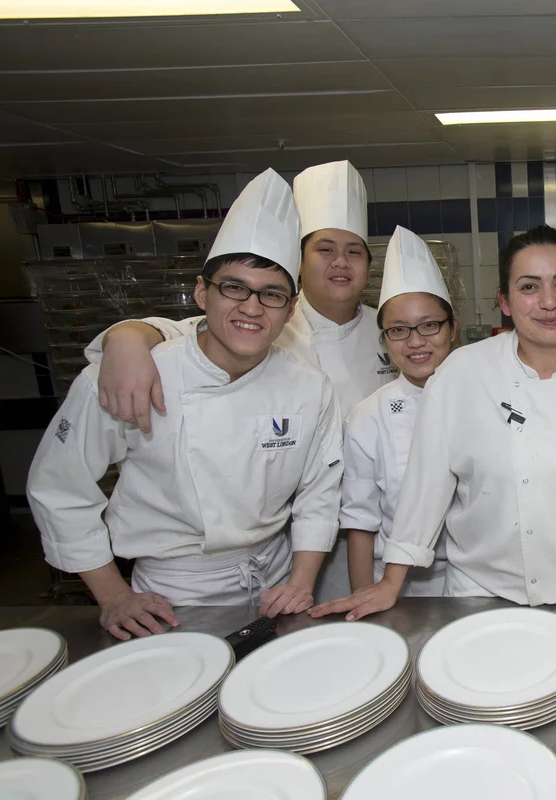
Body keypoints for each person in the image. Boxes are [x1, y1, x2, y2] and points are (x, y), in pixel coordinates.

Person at [27, 169, 343, 640]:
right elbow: (59, 487)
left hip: (277, 579)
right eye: (234, 287)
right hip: (173, 590)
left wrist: (300, 581)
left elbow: (320, 492)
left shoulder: (309, 386)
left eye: (272, 295)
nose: (251, 307)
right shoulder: (134, 373)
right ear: (201, 292)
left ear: (291, 309)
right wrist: (113, 595)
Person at [310, 225, 556, 620]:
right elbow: (426, 486)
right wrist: (390, 582)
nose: (549, 302)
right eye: (529, 287)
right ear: (504, 300)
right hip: (483, 595)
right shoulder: (462, 372)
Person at [84, 160, 390, 602]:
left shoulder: (390, 332)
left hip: (356, 533)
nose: (252, 307)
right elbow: (195, 337)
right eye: (325, 248)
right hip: (280, 540)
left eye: (355, 251)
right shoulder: (266, 323)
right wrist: (129, 333)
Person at [337, 225, 457, 597]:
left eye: (429, 325)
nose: (416, 341)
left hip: (474, 579)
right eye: (399, 330)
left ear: (452, 329)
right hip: (398, 588)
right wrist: (362, 599)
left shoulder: (487, 400)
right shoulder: (367, 417)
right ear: (385, 340)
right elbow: (360, 521)